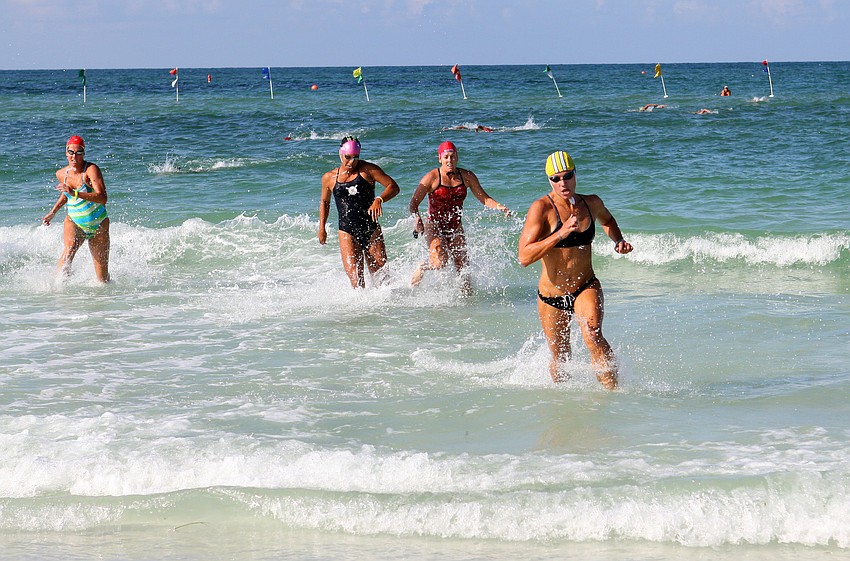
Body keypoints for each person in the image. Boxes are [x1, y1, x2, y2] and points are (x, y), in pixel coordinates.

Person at [518, 150, 633, 389]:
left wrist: (618, 240)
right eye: (556, 179)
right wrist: (560, 233)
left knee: (592, 335)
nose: (563, 183)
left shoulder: (591, 203)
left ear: (575, 174)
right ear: (549, 180)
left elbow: (608, 221)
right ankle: (563, 405)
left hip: (585, 285)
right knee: (561, 357)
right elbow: (524, 256)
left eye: (567, 176)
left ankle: (613, 395)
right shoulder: (541, 208)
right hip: (551, 296)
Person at [409, 141, 510, 293]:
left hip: (455, 227)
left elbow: (484, 198)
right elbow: (413, 204)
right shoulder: (431, 178)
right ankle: (422, 266)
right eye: (446, 157)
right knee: (439, 263)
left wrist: (499, 206)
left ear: (457, 157)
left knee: (463, 269)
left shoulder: (467, 176)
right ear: (440, 159)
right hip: (434, 226)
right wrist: (417, 220)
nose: (449, 160)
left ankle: (468, 306)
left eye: (452, 157)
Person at [318, 136, 400, 288]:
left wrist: (379, 200)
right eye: (347, 157)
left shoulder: (368, 170)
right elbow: (324, 202)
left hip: (370, 229)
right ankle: (362, 312)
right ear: (340, 154)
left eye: (355, 157)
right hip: (346, 231)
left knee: (383, 280)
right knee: (356, 281)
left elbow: (393, 187)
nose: (351, 162)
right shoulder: (329, 178)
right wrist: (321, 228)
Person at [42, 135, 110, 283]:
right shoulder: (61, 174)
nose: (74, 156)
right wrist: (53, 212)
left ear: (84, 153)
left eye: (79, 152)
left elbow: (103, 198)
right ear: (66, 153)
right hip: (74, 221)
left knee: (102, 280)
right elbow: (66, 194)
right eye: (71, 152)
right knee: (70, 249)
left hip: (98, 224)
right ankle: (59, 292)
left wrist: (76, 193)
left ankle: (104, 302)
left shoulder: (91, 170)